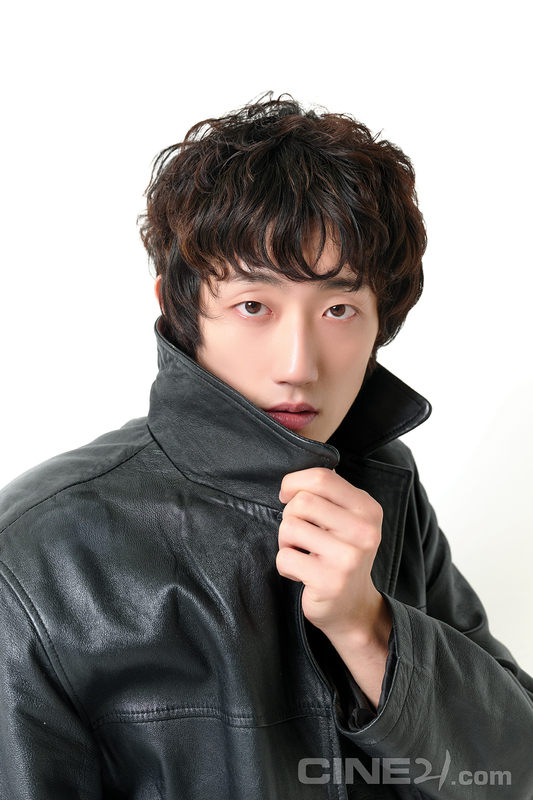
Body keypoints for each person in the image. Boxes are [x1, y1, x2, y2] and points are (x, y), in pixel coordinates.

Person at [0, 95, 531, 799]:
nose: (298, 364)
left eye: (338, 308)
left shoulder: (382, 484)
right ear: (180, 309)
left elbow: (516, 773)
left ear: (381, 320)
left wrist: (369, 630)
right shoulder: (40, 556)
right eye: (253, 305)